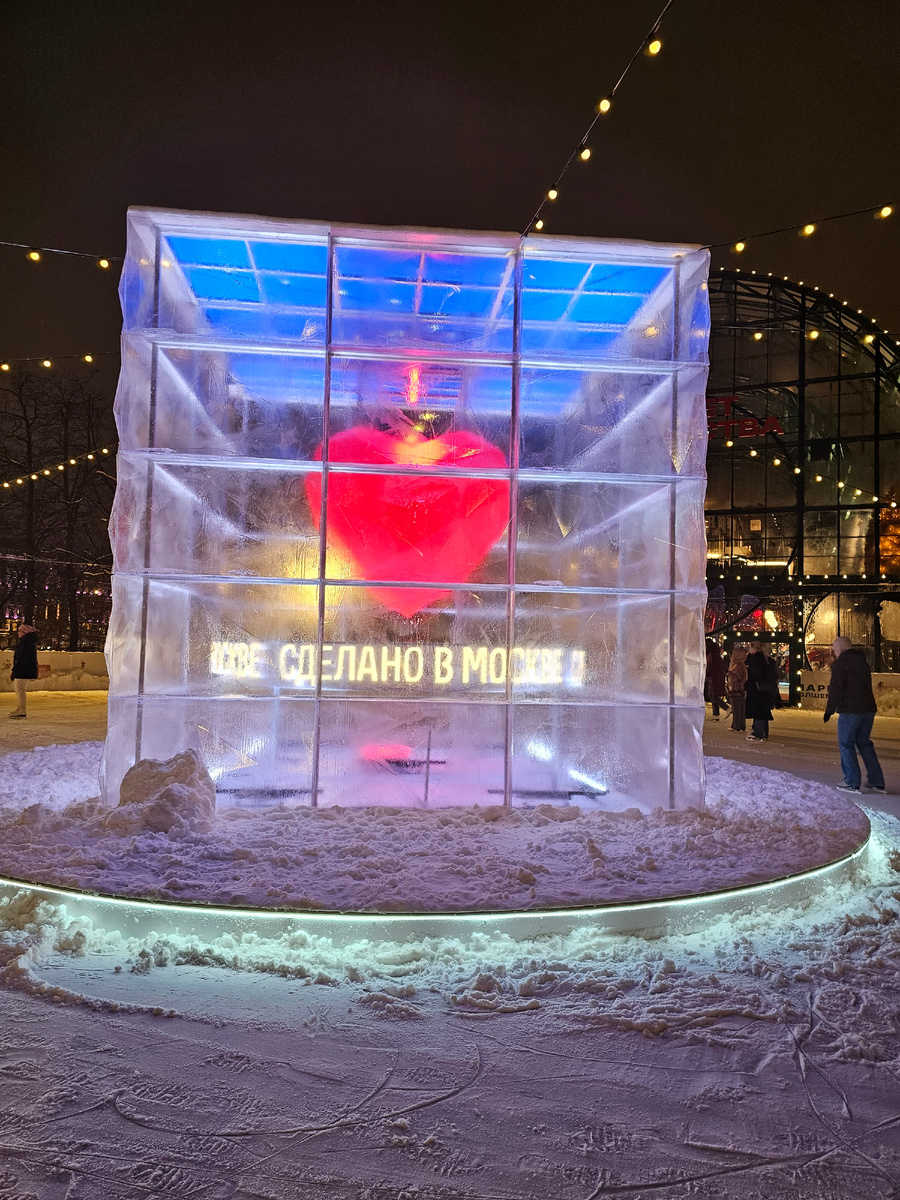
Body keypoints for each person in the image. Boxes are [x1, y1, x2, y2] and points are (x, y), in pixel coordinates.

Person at [823, 636, 885, 794]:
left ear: (840, 649)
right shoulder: (862, 662)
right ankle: (876, 780)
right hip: (868, 709)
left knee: (846, 744)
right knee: (864, 743)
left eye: (834, 649)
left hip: (850, 710)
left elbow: (836, 689)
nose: (834, 652)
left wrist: (829, 710)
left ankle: (851, 781)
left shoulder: (840, 663)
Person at [744, 641, 774, 741]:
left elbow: (756, 673)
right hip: (762, 688)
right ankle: (763, 731)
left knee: (758, 710)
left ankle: (758, 732)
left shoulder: (757, 659)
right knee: (762, 709)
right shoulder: (764, 659)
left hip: (757, 688)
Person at [9, 623, 38, 719]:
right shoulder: (27, 642)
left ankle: (21, 709)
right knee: (19, 690)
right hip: (25, 669)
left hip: (23, 670)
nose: (18, 633)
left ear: (24, 633)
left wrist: (16, 670)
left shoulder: (25, 643)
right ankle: (20, 708)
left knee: (20, 690)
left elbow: (22, 658)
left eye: (20, 631)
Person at [704, 639, 729, 719]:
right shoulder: (717, 654)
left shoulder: (711, 655)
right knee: (713, 694)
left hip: (714, 677)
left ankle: (726, 707)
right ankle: (716, 714)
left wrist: (707, 673)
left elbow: (711, 666)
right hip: (716, 676)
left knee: (713, 695)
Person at [727, 644, 748, 731]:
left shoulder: (737, 665)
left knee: (736, 708)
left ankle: (736, 725)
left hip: (736, 689)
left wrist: (728, 673)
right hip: (741, 689)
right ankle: (741, 724)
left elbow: (736, 677)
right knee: (740, 708)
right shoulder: (741, 664)